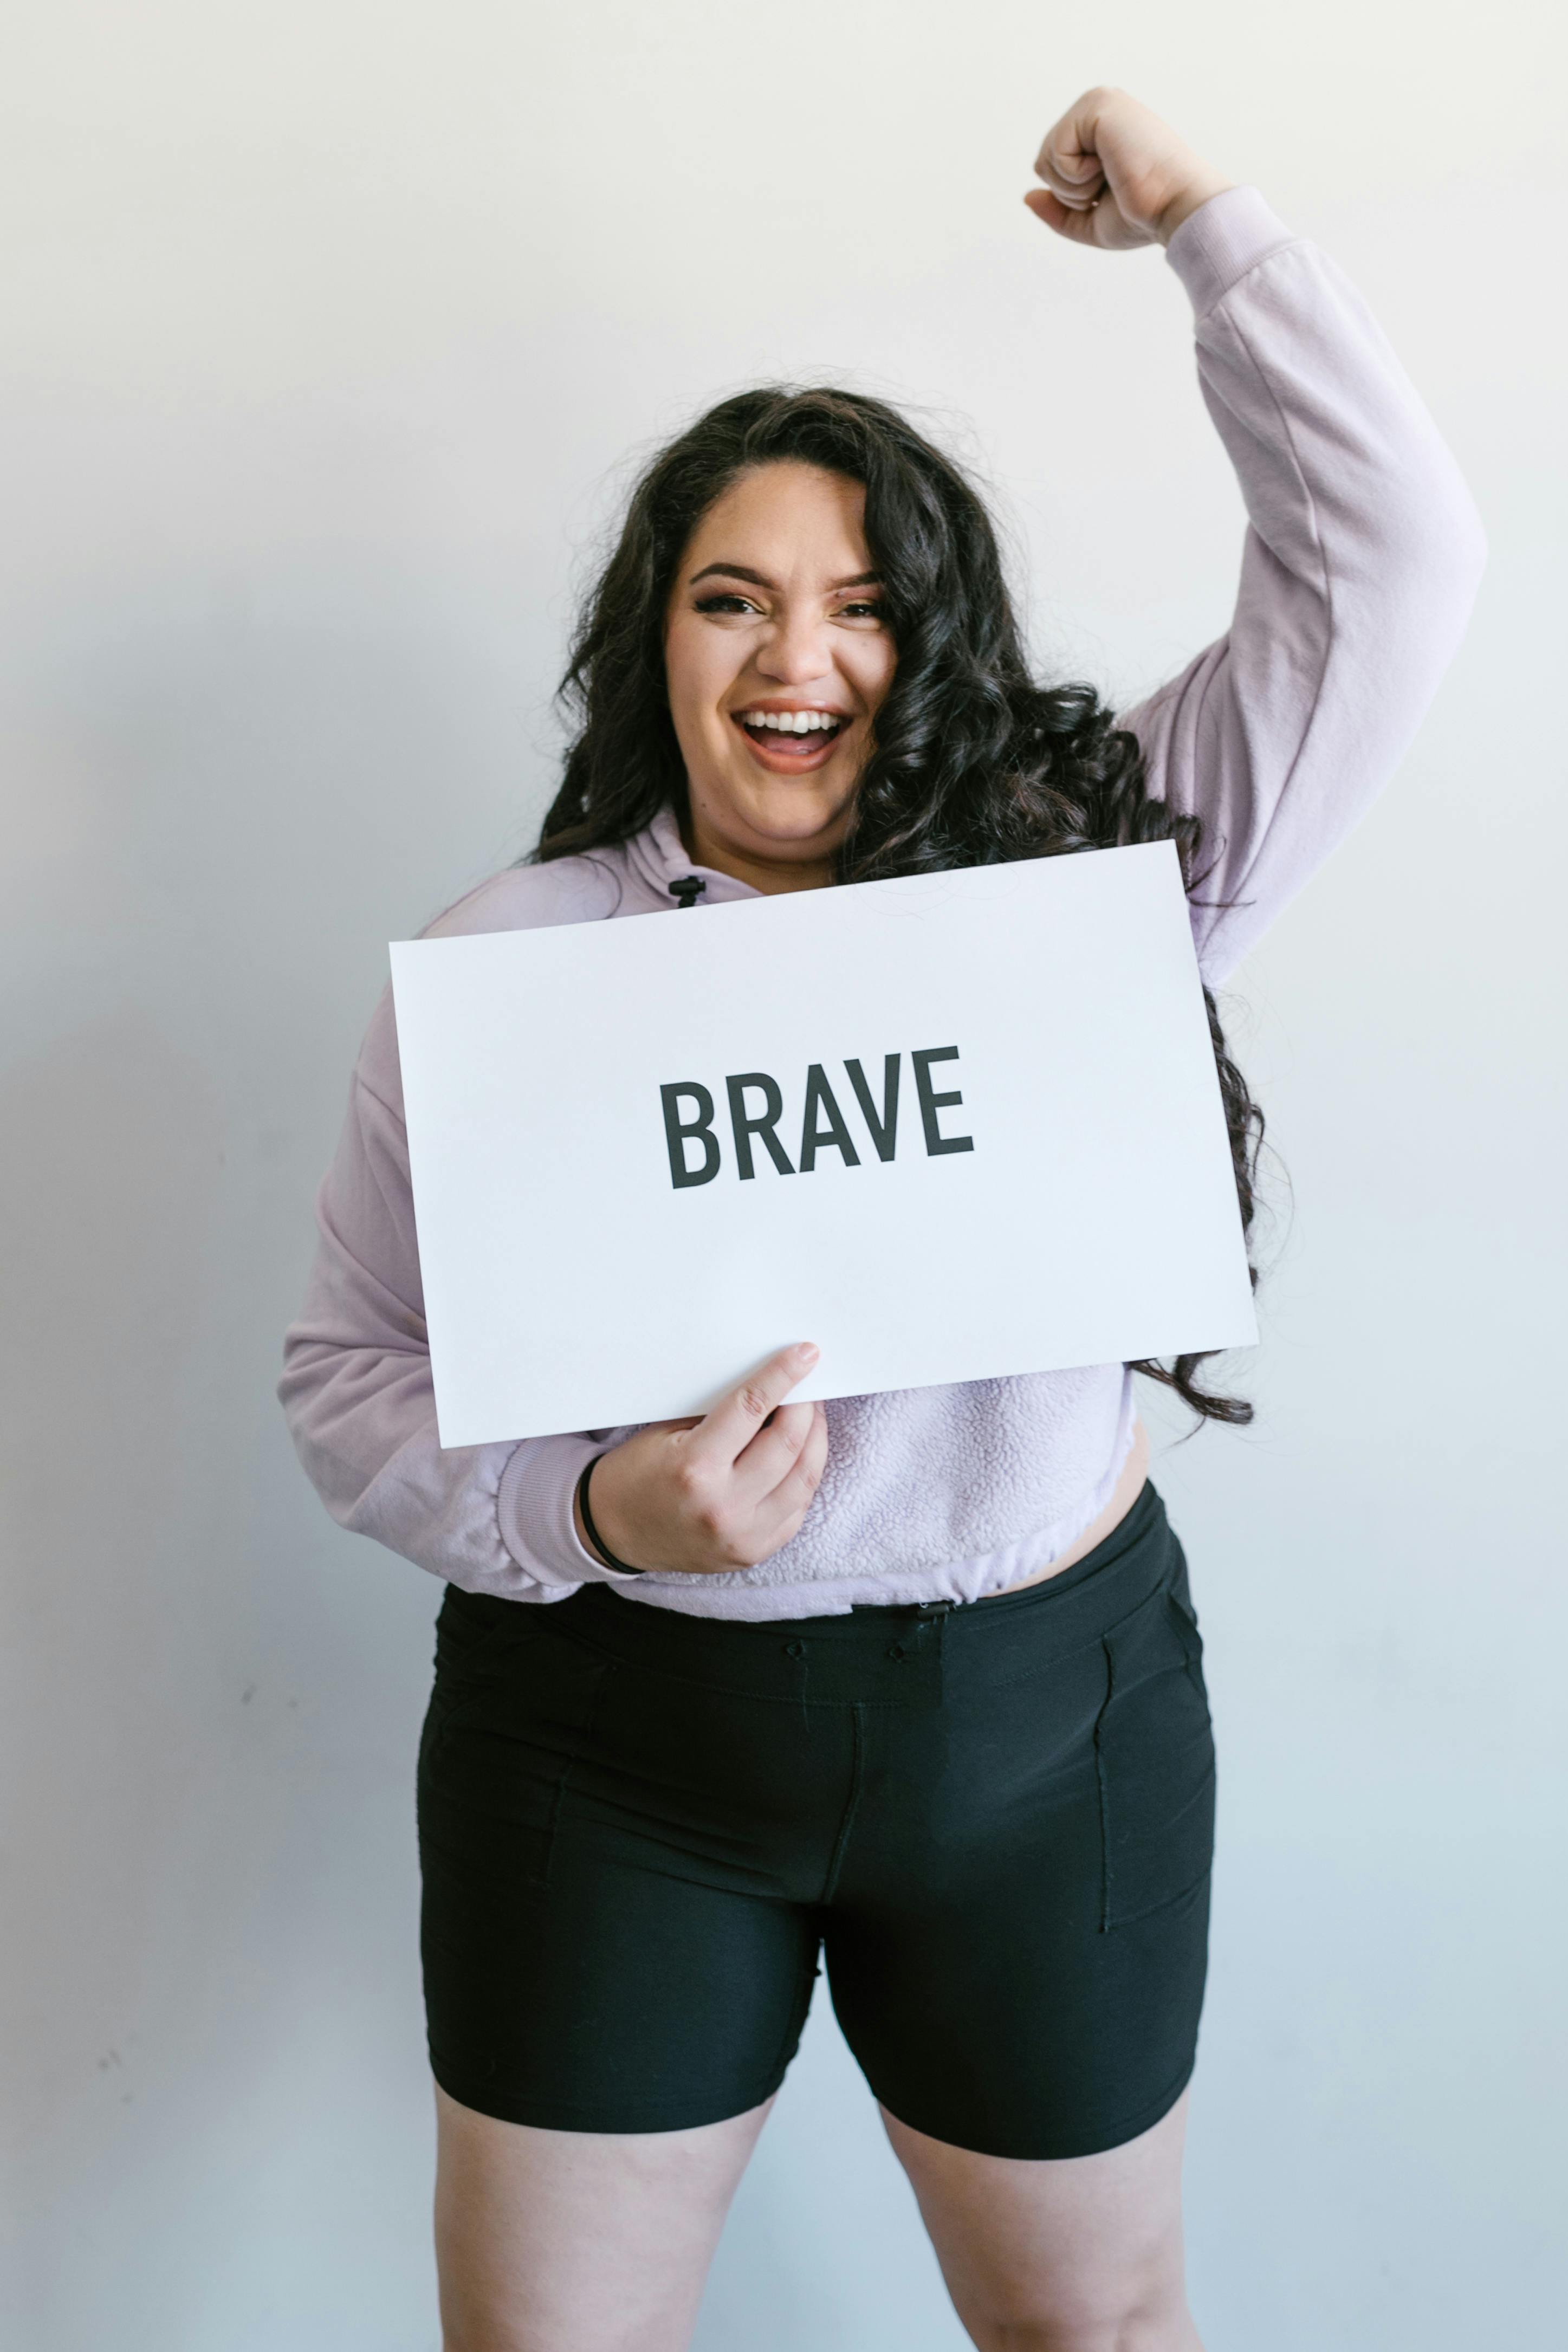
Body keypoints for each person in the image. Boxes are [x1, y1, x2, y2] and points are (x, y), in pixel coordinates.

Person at [280, 86, 1483, 2352]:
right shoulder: (506, 965)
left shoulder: (1097, 883)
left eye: (856, 605)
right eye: (732, 598)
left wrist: (1208, 228)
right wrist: (592, 1502)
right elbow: (341, 1381)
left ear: (927, 640)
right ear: (657, 638)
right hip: (610, 1745)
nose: (793, 660)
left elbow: (1396, 568)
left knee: (1097, 2340)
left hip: (1051, 1733)